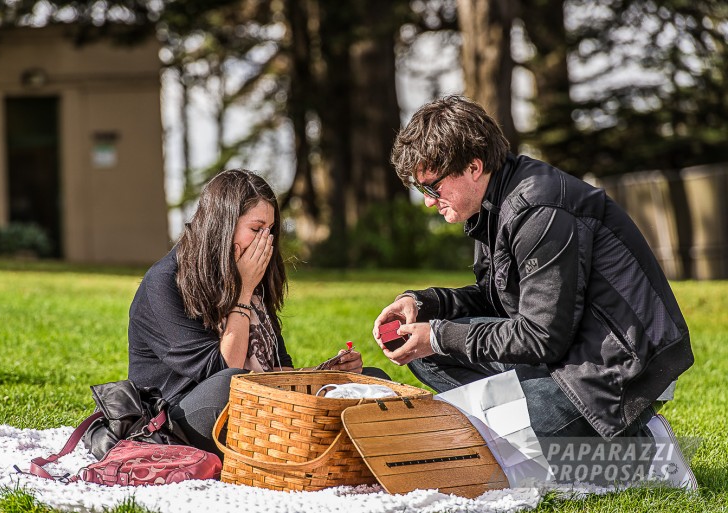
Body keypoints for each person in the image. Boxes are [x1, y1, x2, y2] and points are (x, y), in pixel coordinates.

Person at [372, 95, 694, 445]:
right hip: (568, 352)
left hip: (616, 370)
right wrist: (423, 306)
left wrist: (438, 335)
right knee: (424, 354)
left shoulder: (540, 209)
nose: (429, 200)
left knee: (512, 427)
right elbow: (496, 299)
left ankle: (641, 448)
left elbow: (541, 338)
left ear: (473, 167)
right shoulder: (493, 203)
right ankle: (530, 437)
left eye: (433, 186)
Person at [128, 169, 388, 455]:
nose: (266, 241)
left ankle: (326, 447)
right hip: (178, 420)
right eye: (256, 229)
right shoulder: (165, 282)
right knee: (231, 385)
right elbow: (224, 370)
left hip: (252, 401)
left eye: (271, 230)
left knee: (370, 382)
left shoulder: (248, 274)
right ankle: (314, 442)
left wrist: (322, 375)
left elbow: (278, 369)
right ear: (222, 225)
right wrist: (244, 292)